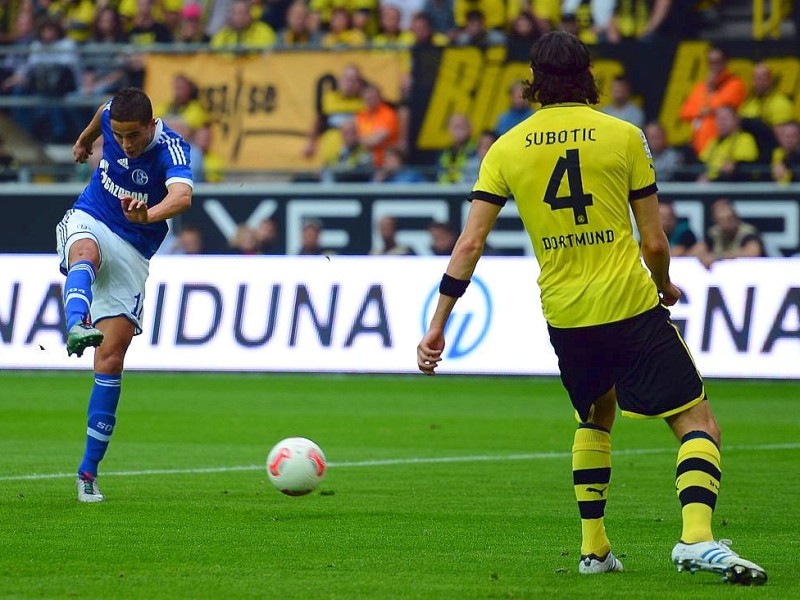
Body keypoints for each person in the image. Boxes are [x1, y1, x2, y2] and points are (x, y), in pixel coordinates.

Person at [417, 31, 767, 585]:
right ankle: (696, 539)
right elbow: (653, 241)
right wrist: (666, 285)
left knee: (594, 416)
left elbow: (468, 245)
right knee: (698, 422)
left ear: (534, 81)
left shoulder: (505, 147)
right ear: (587, 74)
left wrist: (437, 324)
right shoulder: (624, 136)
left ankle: (595, 550)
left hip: (566, 315)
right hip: (629, 305)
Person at [57, 87, 193, 503]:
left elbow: (182, 196)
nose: (126, 143)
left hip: (134, 248)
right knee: (85, 252)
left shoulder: (171, 147)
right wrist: (85, 139)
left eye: (134, 136)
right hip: (92, 215)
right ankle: (77, 323)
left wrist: (147, 215)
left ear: (151, 126)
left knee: (111, 358)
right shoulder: (114, 119)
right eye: (120, 136)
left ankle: (87, 472)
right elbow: (102, 111)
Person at [679, 47, 746, 157]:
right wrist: (702, 111)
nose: (714, 66)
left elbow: (723, 108)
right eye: (710, 62)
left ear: (725, 62)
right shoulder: (701, 87)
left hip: (721, 146)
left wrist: (711, 92)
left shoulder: (735, 84)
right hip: (698, 145)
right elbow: (685, 112)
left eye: (717, 62)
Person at [692, 198, 766, 268]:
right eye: (721, 220)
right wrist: (703, 256)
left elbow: (752, 253)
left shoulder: (747, 232)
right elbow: (696, 251)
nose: (726, 224)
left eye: (729, 219)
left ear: (735, 217)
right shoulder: (715, 234)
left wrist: (718, 257)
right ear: (716, 221)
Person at [697, 105, 759, 182]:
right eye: (719, 119)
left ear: (736, 121)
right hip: (710, 185)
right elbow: (702, 162)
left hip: (732, 185)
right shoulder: (713, 142)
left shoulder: (744, 139)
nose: (721, 123)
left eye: (725, 119)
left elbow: (742, 166)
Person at [771, 120, 800, 184]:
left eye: (793, 136)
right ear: (779, 137)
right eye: (786, 136)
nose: (789, 140)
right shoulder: (772, 154)